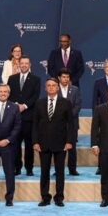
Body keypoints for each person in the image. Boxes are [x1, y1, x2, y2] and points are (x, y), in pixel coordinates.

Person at [32, 78, 74, 207]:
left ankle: (59, 198)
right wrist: (35, 142)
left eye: (53, 85)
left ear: (58, 88)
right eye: (48, 85)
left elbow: (71, 124)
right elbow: (35, 125)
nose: (51, 87)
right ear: (45, 88)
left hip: (60, 143)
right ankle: (45, 197)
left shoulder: (66, 103)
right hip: (43, 143)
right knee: (44, 172)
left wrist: (69, 141)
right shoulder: (39, 103)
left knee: (60, 172)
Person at [7, 55, 41, 176]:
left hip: (29, 117)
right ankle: (17, 167)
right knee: (15, 144)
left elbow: (35, 96)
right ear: (18, 65)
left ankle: (29, 168)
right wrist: (16, 105)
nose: (24, 65)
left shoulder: (36, 79)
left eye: (27, 63)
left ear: (30, 65)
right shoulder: (12, 79)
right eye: (22, 63)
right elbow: (8, 95)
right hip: (15, 117)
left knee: (29, 144)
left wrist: (24, 106)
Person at [58, 68, 82, 176]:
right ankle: (59, 170)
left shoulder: (75, 89)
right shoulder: (54, 88)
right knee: (58, 148)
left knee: (72, 148)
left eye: (67, 77)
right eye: (63, 77)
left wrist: (68, 116)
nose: (65, 79)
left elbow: (78, 105)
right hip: (58, 124)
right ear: (59, 78)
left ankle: (72, 169)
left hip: (72, 123)